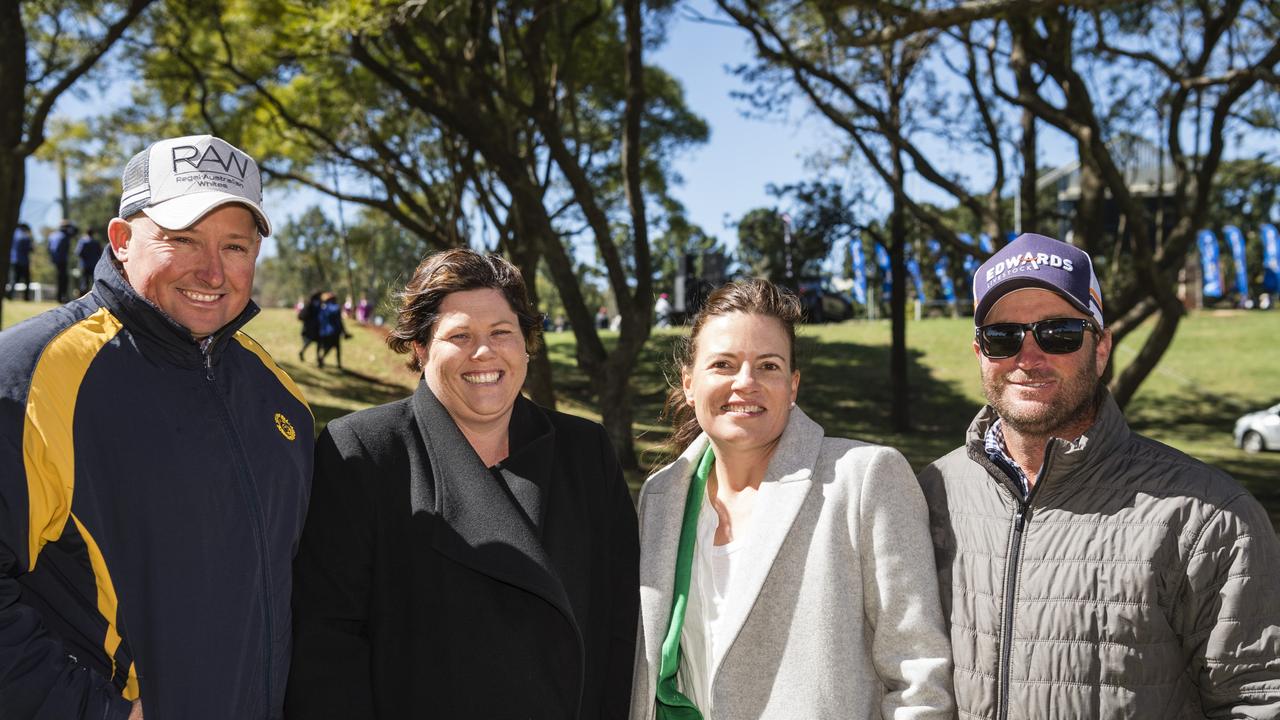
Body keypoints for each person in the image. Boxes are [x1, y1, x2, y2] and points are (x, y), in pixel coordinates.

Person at [0, 134, 314, 719]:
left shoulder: (282, 398)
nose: (212, 271)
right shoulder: (30, 376)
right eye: (182, 239)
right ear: (122, 241)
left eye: (236, 246)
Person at [918, 233, 1280, 719]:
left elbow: (1257, 702)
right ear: (980, 353)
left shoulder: (1209, 516)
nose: (1028, 357)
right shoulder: (929, 493)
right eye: (1003, 337)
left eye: (1059, 332)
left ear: (1102, 347)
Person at [286, 248, 639, 719]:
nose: (484, 352)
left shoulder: (586, 450)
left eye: (501, 332)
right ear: (420, 346)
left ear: (526, 341)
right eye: (460, 335)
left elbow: (621, 624)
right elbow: (328, 645)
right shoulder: (362, 451)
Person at [629, 279, 953, 720]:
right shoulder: (661, 498)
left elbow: (920, 679)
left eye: (768, 366)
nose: (746, 383)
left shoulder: (865, 479)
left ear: (793, 385)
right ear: (689, 384)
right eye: (723, 364)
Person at [315, 291, 351, 369]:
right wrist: (344, 332)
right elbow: (339, 321)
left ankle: (322, 360)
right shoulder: (336, 307)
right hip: (334, 332)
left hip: (324, 331)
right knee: (336, 348)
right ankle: (337, 364)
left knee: (328, 347)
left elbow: (320, 319)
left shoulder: (322, 307)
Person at [47, 218, 77, 303]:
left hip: (55, 260)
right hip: (62, 260)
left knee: (59, 278)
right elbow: (75, 231)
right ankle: (61, 297)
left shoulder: (52, 235)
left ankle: (59, 297)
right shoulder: (64, 235)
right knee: (63, 279)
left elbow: (49, 248)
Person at [76, 226, 104, 296]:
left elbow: (78, 252)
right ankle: (95, 294)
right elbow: (100, 253)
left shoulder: (82, 241)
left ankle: (83, 295)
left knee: (84, 281)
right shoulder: (96, 242)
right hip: (94, 264)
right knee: (93, 281)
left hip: (84, 264)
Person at [7, 222, 33, 301]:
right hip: (23, 261)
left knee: (13, 279)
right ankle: (26, 297)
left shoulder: (13, 234)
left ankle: (10, 295)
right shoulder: (25, 237)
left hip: (13, 260)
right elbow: (30, 249)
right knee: (27, 280)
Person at [298, 290, 322, 362]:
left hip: (316, 327)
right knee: (309, 342)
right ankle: (302, 352)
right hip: (309, 328)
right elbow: (302, 316)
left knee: (319, 343)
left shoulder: (319, 304)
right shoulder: (309, 305)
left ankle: (318, 358)